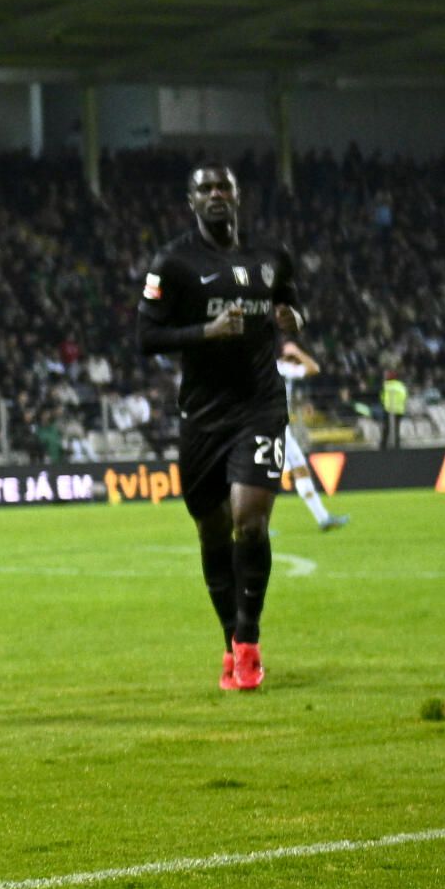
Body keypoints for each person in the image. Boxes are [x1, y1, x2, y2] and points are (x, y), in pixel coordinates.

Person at [137, 163, 304, 692]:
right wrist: (206, 331)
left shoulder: (271, 256)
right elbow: (146, 337)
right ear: (191, 201)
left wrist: (293, 321)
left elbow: (290, 305)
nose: (215, 195)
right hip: (203, 417)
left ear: (237, 196)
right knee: (212, 531)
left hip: (260, 406)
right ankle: (230, 639)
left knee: (249, 522)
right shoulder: (173, 262)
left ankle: (249, 642)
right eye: (205, 189)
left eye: (223, 187)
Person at [278, 341, 350, 531]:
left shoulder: (276, 368)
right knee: (262, 477)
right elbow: (313, 368)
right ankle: (251, 524)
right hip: (271, 428)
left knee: (300, 470)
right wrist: (297, 351)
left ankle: (323, 518)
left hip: (280, 428)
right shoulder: (281, 368)